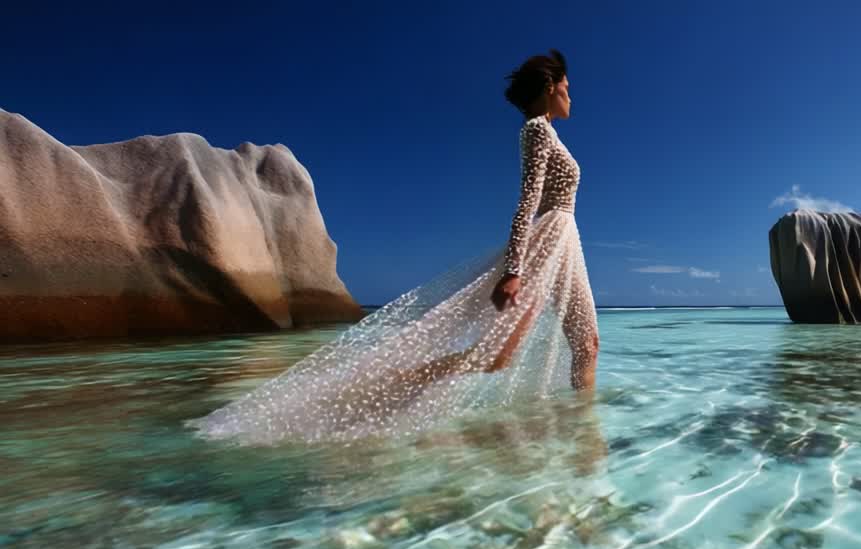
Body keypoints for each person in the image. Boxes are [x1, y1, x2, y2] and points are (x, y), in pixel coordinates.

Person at [190, 49, 598, 444]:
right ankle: (388, 382)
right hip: (544, 248)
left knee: (584, 344)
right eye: (567, 86)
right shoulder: (536, 130)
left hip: (563, 244)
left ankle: (584, 434)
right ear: (549, 87)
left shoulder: (549, 132)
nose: (570, 95)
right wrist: (513, 269)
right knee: (498, 357)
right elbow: (527, 201)